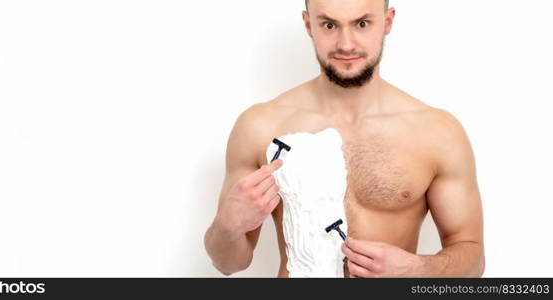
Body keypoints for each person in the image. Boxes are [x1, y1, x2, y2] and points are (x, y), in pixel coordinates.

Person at [204, 0, 484, 278]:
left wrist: (418, 268)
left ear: (387, 21)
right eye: (329, 25)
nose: (346, 44)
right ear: (308, 24)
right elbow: (228, 263)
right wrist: (227, 226)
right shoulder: (261, 127)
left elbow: (472, 256)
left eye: (362, 24)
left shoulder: (436, 132)